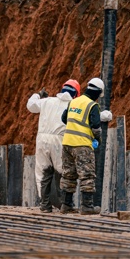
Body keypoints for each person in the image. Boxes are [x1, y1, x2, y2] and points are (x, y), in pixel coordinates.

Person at [59, 77, 113, 215]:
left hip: (67, 144)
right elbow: (96, 127)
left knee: (68, 175)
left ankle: (66, 205)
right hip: (82, 145)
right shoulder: (92, 105)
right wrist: (98, 140)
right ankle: (87, 207)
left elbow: (64, 118)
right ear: (98, 93)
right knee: (87, 175)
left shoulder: (73, 101)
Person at [26, 79, 80, 213]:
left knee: (43, 173)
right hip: (60, 140)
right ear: (76, 94)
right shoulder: (73, 104)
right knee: (62, 172)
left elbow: (31, 105)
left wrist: (38, 95)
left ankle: (45, 205)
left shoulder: (47, 101)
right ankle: (65, 204)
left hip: (42, 140)